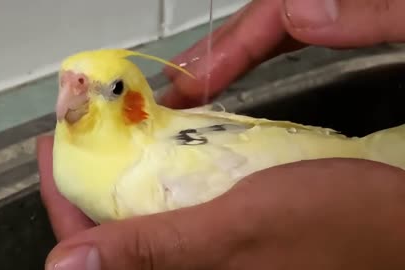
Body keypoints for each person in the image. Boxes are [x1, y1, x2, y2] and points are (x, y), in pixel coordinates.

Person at [37, 0, 405, 269]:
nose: (73, 97)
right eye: (68, 83)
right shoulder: (81, 163)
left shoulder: (143, 182)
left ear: (138, 105)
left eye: (114, 90)